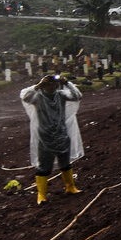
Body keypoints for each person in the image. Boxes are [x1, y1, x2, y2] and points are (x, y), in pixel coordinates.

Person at [20, 75, 84, 205]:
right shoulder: (38, 97)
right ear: (44, 85)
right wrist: (38, 85)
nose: (53, 86)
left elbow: (77, 96)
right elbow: (25, 97)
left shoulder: (60, 95)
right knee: (44, 167)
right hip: (45, 137)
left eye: (55, 84)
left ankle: (70, 187)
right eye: (49, 84)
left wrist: (67, 83)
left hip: (61, 133)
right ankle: (42, 195)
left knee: (65, 163)